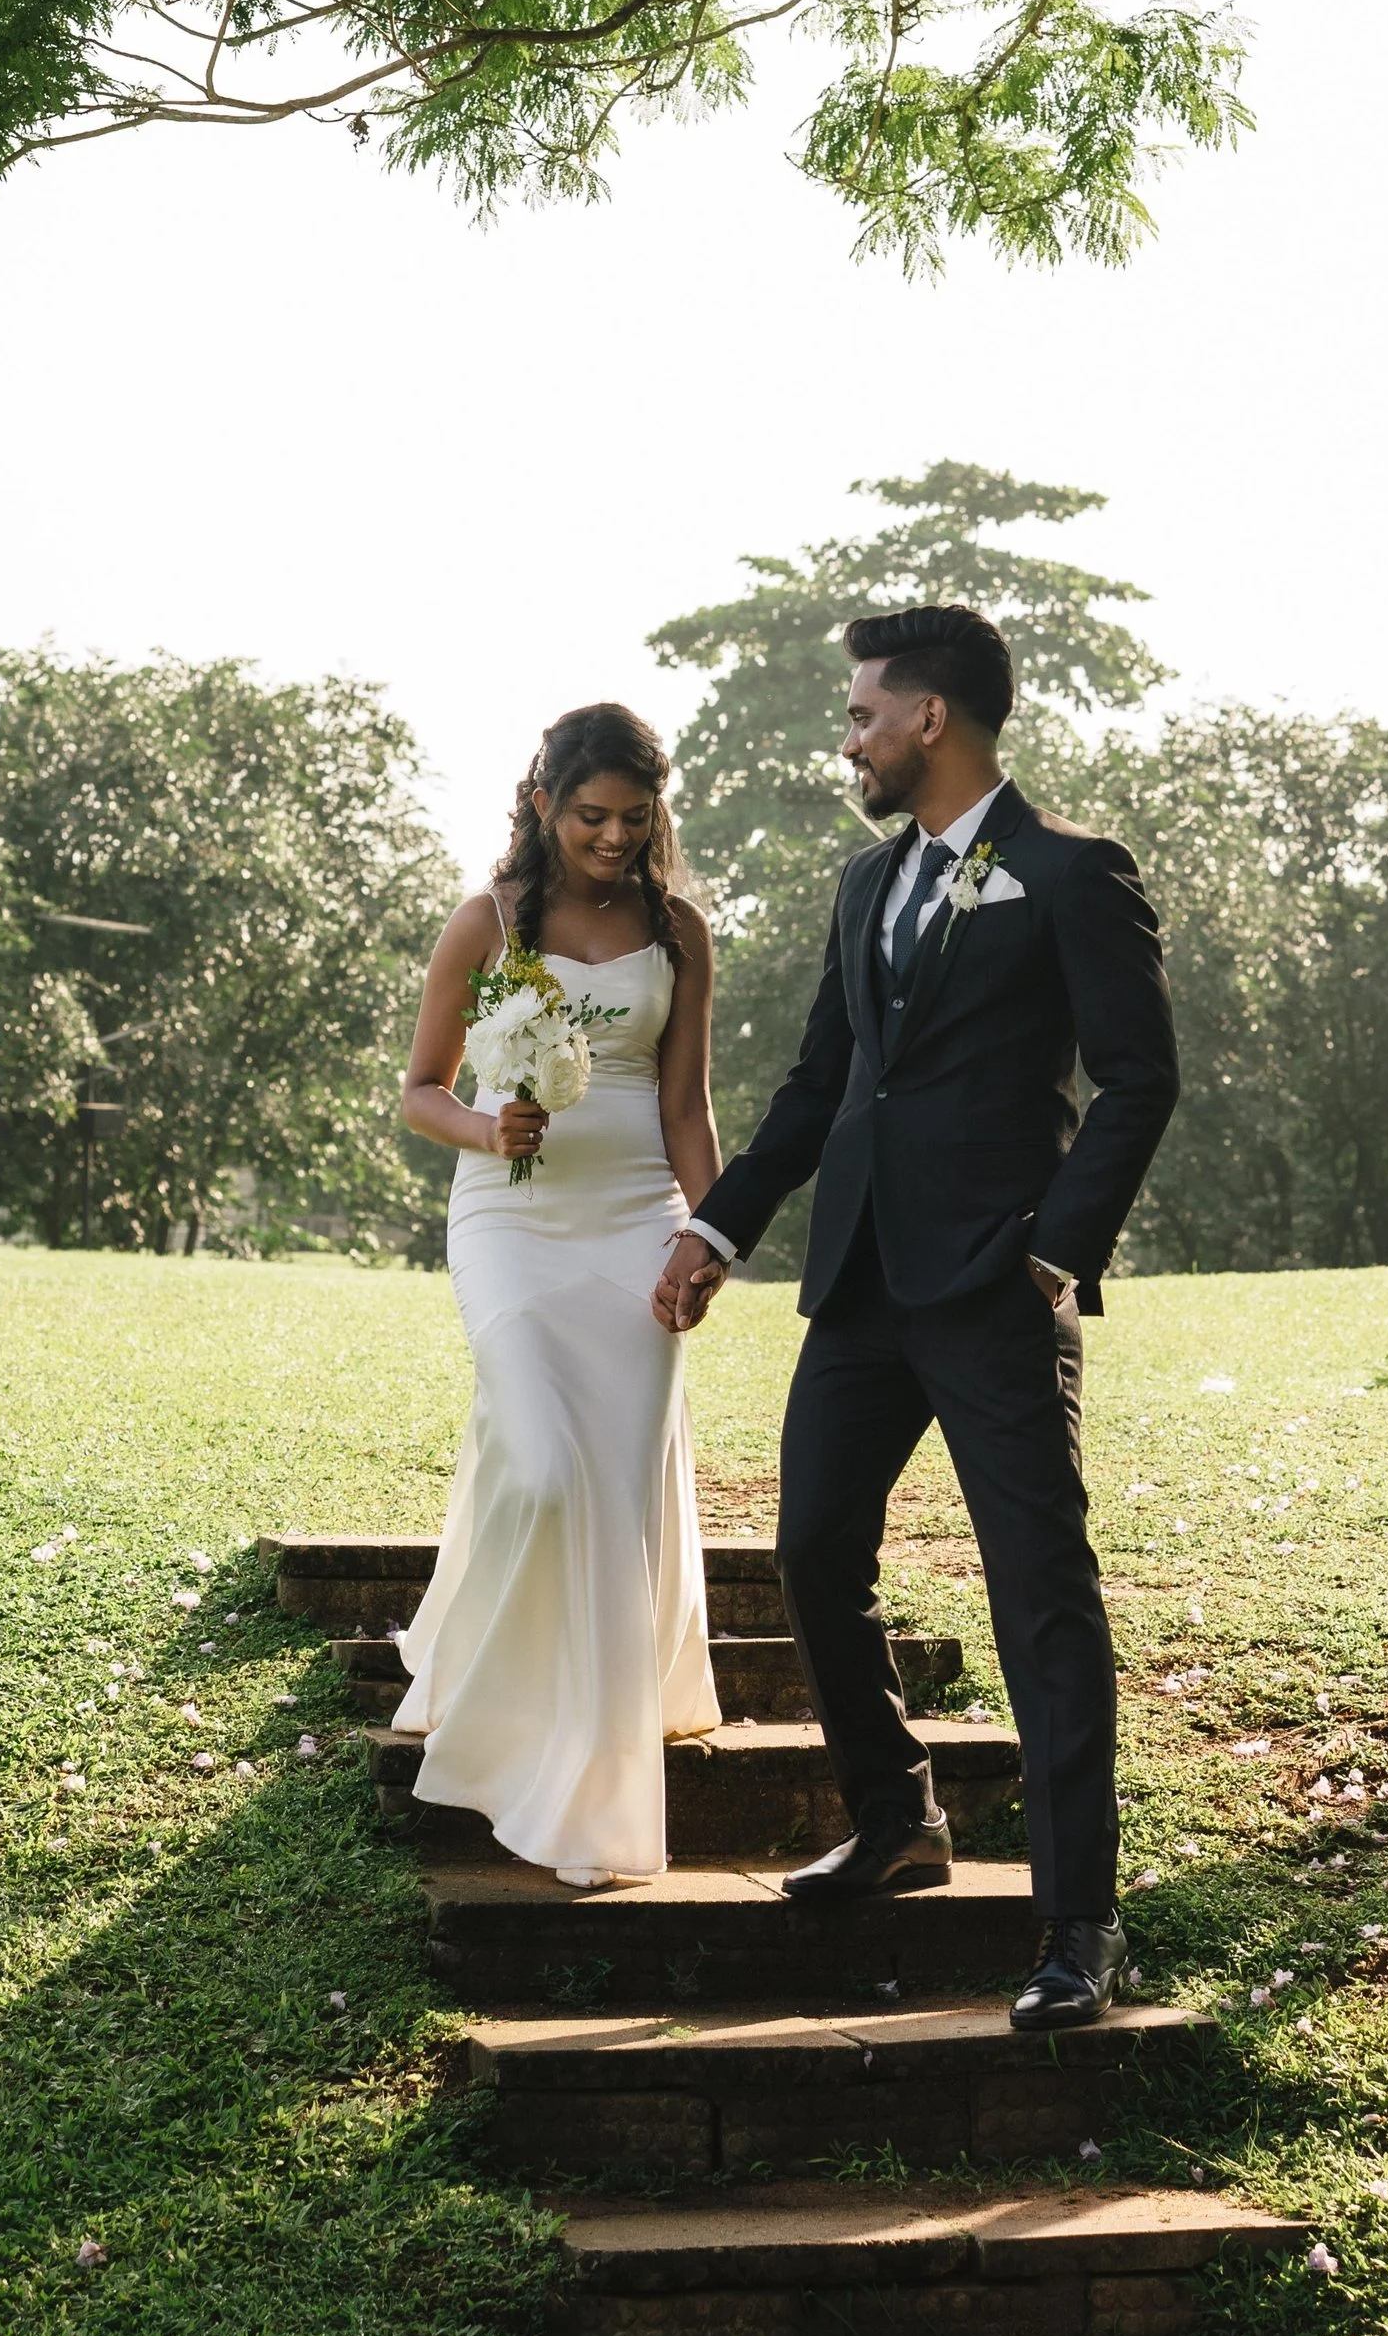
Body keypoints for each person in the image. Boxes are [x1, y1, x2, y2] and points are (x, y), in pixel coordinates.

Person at [651, 605, 1178, 2030]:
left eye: (864, 712)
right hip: (866, 1284)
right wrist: (718, 1223)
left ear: (932, 717)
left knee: (1039, 1595)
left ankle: (1081, 1921)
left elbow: (1139, 1078)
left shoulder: (1074, 872)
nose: (850, 736)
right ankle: (897, 1816)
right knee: (813, 1546)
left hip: (1001, 1289)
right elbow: (824, 1085)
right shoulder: (861, 884)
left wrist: (1057, 1256)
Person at [397, 702, 722, 1884]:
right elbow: (419, 1091)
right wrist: (489, 1129)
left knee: (620, 1483)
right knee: (538, 1463)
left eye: (636, 819)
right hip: (515, 1224)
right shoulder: (486, 923)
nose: (614, 838)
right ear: (544, 803)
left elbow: (685, 1105)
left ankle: (595, 1765)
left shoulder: (678, 929)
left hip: (641, 1220)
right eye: (592, 815)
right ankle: (505, 1719)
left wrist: (712, 1234)